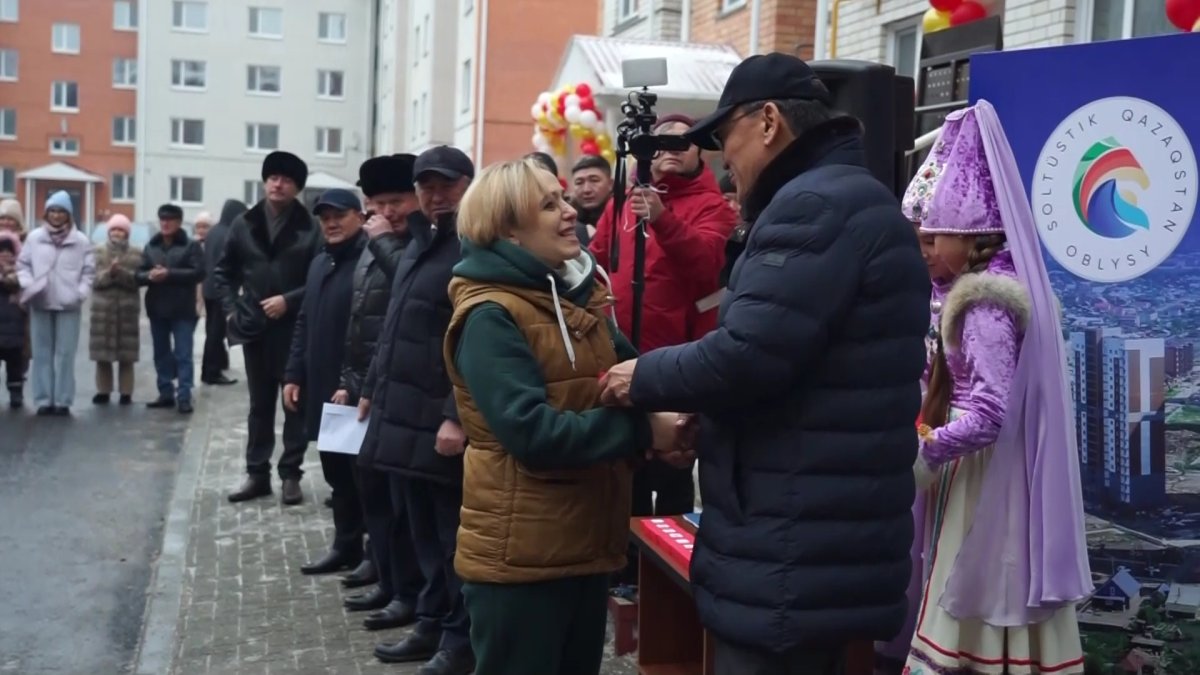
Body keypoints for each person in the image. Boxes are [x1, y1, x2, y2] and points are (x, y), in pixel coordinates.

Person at [598, 53, 930, 672]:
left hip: (794, 540)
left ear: (770, 120)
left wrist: (638, 376)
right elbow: (798, 360)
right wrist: (710, 417)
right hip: (813, 529)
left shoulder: (814, 208)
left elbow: (747, 355)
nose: (726, 160)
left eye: (727, 139)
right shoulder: (841, 198)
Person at [445, 158, 690, 675]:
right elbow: (534, 435)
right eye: (548, 204)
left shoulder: (577, 297)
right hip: (522, 562)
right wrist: (645, 431)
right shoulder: (491, 315)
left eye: (563, 199)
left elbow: (633, 376)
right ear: (507, 229)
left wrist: (678, 415)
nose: (568, 211)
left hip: (583, 548)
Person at [898, 102, 1089, 675]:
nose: (926, 250)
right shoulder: (1005, 280)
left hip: (985, 474)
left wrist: (927, 448)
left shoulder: (981, 300)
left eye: (934, 238)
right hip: (1001, 465)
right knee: (1010, 586)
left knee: (978, 579)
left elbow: (988, 412)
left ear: (972, 230)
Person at [590, 112, 738, 586]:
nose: (671, 150)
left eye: (683, 143)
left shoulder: (713, 207)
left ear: (703, 151)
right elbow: (597, 257)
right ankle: (623, 567)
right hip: (622, 355)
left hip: (679, 359)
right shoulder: (623, 201)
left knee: (672, 470)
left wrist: (664, 219)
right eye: (661, 143)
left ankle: (665, 578)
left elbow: (706, 267)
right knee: (626, 465)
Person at [358, 146, 475, 674]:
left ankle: (460, 639)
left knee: (451, 539)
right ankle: (431, 620)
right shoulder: (419, 242)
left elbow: (479, 337)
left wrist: (456, 413)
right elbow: (395, 328)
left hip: (439, 423)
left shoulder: (475, 246)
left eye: (446, 185)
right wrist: (371, 387)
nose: (435, 195)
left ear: (469, 185)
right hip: (400, 413)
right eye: (426, 186)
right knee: (422, 531)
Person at [337, 154, 427, 626]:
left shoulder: (414, 244)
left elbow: (409, 296)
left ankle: (407, 593)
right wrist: (350, 383)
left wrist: (385, 244)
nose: (388, 212)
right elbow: (363, 320)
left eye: (397, 201)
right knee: (372, 493)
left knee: (404, 507)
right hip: (371, 387)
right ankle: (390, 581)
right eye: (378, 203)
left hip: (407, 393)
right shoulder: (376, 242)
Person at [214, 151, 320, 505]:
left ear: (297, 188)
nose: (278, 183)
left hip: (295, 329)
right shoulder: (244, 223)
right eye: (273, 177)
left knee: (294, 402)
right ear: (264, 182)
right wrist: (231, 311)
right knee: (259, 405)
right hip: (255, 330)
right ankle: (256, 473)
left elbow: (320, 277)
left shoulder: (311, 226)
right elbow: (223, 272)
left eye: (287, 179)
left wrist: (289, 300)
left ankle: (291, 474)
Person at [283, 189, 368, 575]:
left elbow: (371, 330)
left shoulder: (370, 262)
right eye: (325, 217)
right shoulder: (320, 262)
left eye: (340, 215)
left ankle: (373, 555)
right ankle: (346, 547)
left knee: (362, 477)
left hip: (355, 391)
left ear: (360, 216)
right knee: (336, 473)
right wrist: (293, 373)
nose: (331, 223)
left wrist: (353, 382)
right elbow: (304, 321)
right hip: (322, 388)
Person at [17, 191, 95, 416]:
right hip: (40, 302)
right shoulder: (34, 238)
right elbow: (23, 265)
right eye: (52, 211)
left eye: (61, 211)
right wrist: (29, 284)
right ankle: (43, 399)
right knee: (41, 353)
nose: (57, 215)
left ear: (69, 214)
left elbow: (89, 271)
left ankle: (63, 400)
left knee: (65, 354)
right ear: (46, 213)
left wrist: (79, 294)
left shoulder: (80, 241)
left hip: (68, 304)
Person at [138, 204, 205, 414]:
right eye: (162, 220)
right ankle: (165, 391)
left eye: (170, 220)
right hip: (157, 308)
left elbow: (199, 272)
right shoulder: (151, 246)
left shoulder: (190, 246)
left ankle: (184, 395)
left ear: (178, 222)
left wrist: (170, 274)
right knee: (161, 353)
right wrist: (149, 276)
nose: (166, 224)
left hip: (182, 309)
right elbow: (137, 275)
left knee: (183, 354)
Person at [89, 214, 143, 405]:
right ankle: (103, 390)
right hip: (102, 309)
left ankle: (126, 392)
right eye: (114, 229)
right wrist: (108, 274)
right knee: (102, 355)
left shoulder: (137, 253)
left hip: (127, 309)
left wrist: (120, 273)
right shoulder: (98, 251)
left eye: (121, 230)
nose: (117, 233)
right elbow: (93, 280)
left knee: (126, 355)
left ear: (127, 233)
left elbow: (138, 280)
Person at [200, 201, 246, 386]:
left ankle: (216, 365)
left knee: (212, 330)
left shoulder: (213, 232)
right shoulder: (229, 234)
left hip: (209, 288)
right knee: (216, 333)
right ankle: (211, 372)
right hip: (222, 290)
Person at [0, 227, 25, 407]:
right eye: (1, 252)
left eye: (9, 252)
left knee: (15, 364)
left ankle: (16, 392)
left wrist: (5, 274)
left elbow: (17, 285)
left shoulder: (20, 271)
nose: (5, 255)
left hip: (15, 327)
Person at [568, 154, 613, 246]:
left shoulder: (624, 217)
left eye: (594, 180)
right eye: (579, 182)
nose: (586, 190)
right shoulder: (565, 218)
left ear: (610, 184)